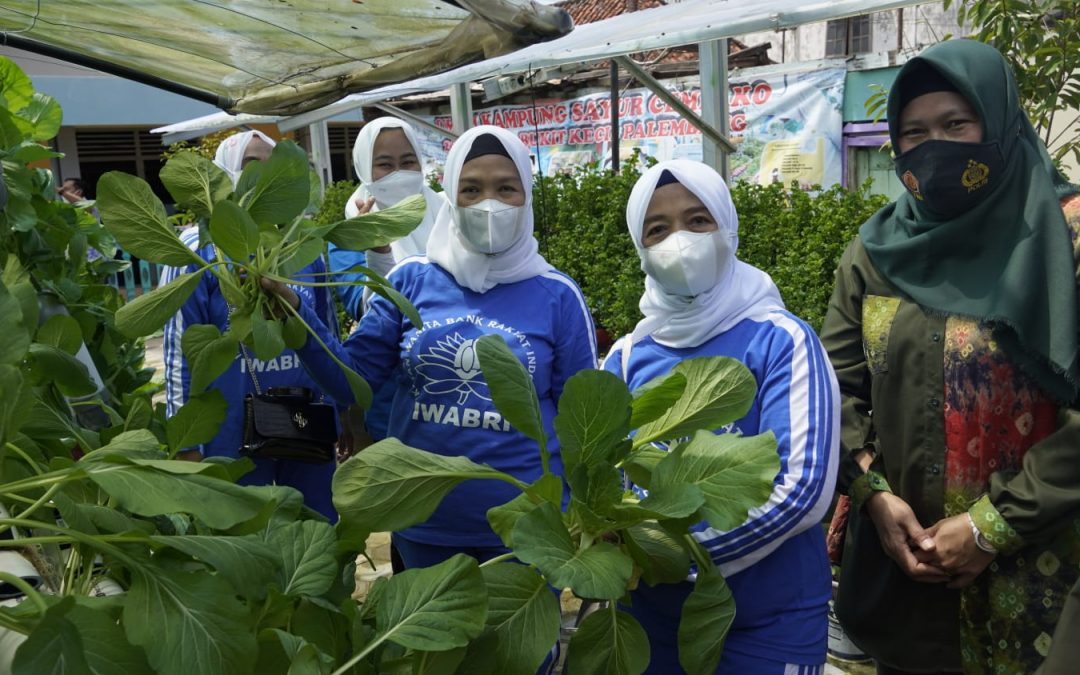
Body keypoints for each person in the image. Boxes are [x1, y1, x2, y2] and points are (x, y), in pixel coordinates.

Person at [819, 39, 1080, 675]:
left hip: (1047, 581)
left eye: (956, 124)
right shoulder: (878, 251)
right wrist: (873, 495)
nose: (934, 145)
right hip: (910, 582)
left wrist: (991, 526)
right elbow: (834, 385)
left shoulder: (1064, 239)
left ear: (1000, 123)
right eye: (913, 131)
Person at [263, 125, 598, 568]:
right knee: (423, 633)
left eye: (506, 188)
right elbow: (352, 383)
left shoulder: (557, 296)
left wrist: (585, 514)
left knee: (522, 636)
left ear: (527, 195)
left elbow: (584, 420)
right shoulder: (410, 279)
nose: (489, 204)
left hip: (528, 529)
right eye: (471, 189)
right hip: (423, 518)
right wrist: (298, 317)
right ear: (450, 195)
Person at [602, 159, 839, 674]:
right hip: (651, 617)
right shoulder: (624, 357)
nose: (680, 241)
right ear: (640, 247)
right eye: (658, 229)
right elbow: (607, 480)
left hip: (767, 619)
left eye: (697, 220)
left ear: (726, 228)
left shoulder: (781, 339)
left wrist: (677, 557)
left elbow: (802, 490)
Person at [161, 129, 340, 519]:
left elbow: (327, 339)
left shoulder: (301, 246)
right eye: (248, 166)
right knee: (242, 529)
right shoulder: (199, 249)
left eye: (271, 167)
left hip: (305, 418)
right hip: (228, 425)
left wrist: (341, 411)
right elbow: (178, 351)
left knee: (316, 526)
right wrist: (185, 439)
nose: (261, 176)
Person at [329, 117, 444, 449]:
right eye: (384, 164)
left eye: (408, 162)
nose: (399, 173)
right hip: (391, 397)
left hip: (449, 387)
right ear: (365, 169)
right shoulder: (347, 237)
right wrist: (377, 248)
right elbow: (363, 308)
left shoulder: (446, 213)